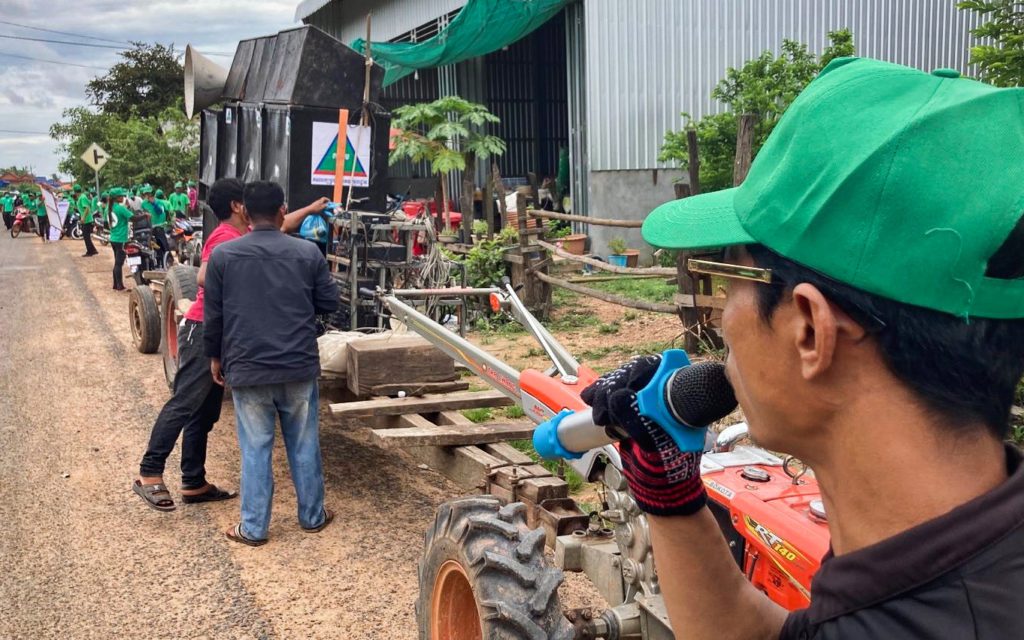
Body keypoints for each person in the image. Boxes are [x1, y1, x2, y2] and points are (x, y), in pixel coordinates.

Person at [585, 58, 1024, 639]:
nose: (726, 322)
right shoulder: (948, 560)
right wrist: (670, 496)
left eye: (729, 282)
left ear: (811, 329)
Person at [204, 181, 338, 546]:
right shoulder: (307, 254)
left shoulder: (223, 256)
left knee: (256, 448)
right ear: (282, 211)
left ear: (245, 212)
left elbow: (213, 317)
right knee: (304, 444)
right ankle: (312, 517)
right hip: (297, 366)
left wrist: (215, 358)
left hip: (248, 369)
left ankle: (254, 528)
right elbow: (330, 302)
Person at [133, 178, 248, 511]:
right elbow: (202, 277)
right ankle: (149, 473)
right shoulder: (226, 237)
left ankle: (193, 482)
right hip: (202, 328)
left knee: (205, 411)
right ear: (238, 206)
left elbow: (279, 222)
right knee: (185, 402)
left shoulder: (235, 235)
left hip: (214, 330)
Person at [107, 188, 131, 291]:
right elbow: (133, 218)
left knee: (117, 263)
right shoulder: (120, 208)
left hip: (113, 238)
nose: (123, 197)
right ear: (116, 198)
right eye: (121, 196)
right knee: (119, 263)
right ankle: (120, 286)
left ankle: (115, 284)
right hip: (121, 239)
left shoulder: (109, 208)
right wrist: (145, 216)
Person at [140, 186, 169, 265]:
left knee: (163, 244)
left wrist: (154, 204)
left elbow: (160, 212)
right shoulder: (143, 204)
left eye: (149, 194)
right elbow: (142, 214)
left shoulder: (159, 202)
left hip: (159, 226)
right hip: (149, 227)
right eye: (146, 194)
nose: (147, 196)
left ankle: (166, 260)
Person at [78, 184, 97, 257]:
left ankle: (90, 252)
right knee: (86, 236)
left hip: (86, 220)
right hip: (87, 219)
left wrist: (83, 218)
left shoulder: (82, 197)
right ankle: (93, 250)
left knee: (86, 237)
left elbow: (86, 208)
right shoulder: (83, 197)